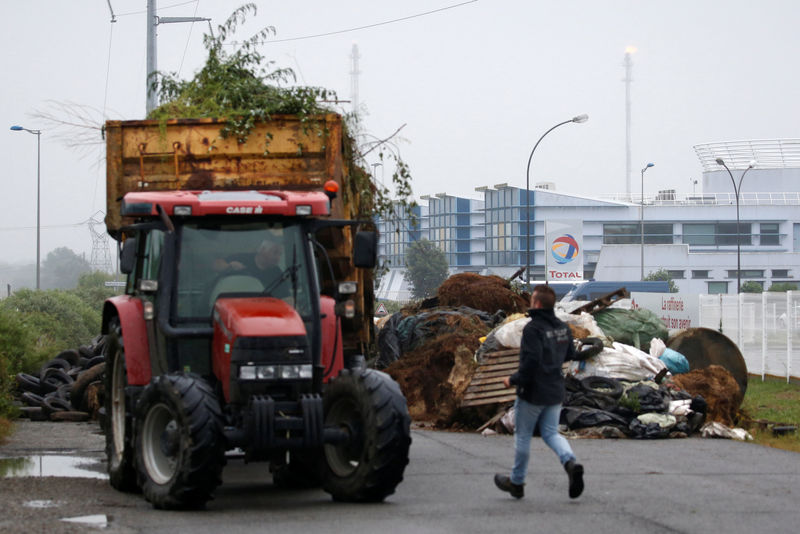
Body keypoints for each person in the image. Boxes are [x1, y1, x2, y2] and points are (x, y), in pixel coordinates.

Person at [494, 284, 585, 500]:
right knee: (551, 433)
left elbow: (530, 363)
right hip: (555, 390)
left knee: (523, 435)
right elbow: (569, 354)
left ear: (537, 303)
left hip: (533, 392)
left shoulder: (533, 329)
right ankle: (570, 462)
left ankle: (516, 482)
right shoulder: (563, 328)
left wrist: (512, 380)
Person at [212, 236, 288, 297]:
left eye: (280, 254)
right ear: (262, 250)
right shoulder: (242, 258)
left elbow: (286, 297)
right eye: (275, 253)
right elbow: (215, 265)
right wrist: (228, 266)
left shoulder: (277, 273)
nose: (278, 258)